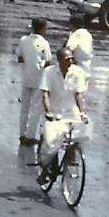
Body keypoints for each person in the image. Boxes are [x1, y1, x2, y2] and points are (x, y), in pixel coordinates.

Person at [38, 49, 89, 178]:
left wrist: (82, 112)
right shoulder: (49, 72)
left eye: (72, 58)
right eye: (67, 59)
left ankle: (70, 159)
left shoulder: (77, 72)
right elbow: (45, 94)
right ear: (59, 60)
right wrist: (48, 111)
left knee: (77, 137)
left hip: (71, 113)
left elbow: (78, 95)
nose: (71, 61)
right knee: (50, 143)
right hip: (54, 114)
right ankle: (45, 168)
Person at [17, 18, 51, 145]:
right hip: (38, 79)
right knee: (36, 109)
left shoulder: (24, 40)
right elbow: (47, 62)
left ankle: (22, 134)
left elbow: (20, 58)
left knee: (24, 108)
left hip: (26, 77)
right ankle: (30, 136)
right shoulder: (44, 43)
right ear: (43, 29)